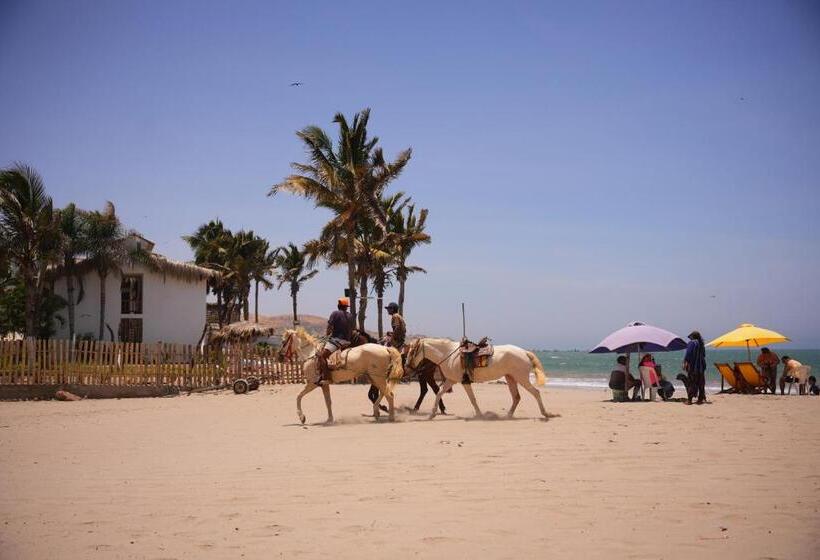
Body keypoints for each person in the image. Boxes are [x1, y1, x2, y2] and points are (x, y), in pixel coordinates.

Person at [315, 297, 354, 385]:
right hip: (348, 341)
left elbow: (329, 327)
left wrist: (327, 335)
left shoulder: (335, 313)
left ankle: (327, 378)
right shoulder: (350, 316)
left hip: (337, 340)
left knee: (322, 356)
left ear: (338, 306)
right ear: (346, 307)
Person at [683, 330, 707, 405]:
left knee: (691, 383)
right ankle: (700, 399)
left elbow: (688, 354)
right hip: (701, 367)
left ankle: (689, 400)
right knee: (701, 384)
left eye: (690, 337)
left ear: (693, 336)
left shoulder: (691, 343)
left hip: (693, 367)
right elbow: (704, 355)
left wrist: (685, 362)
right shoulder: (701, 344)